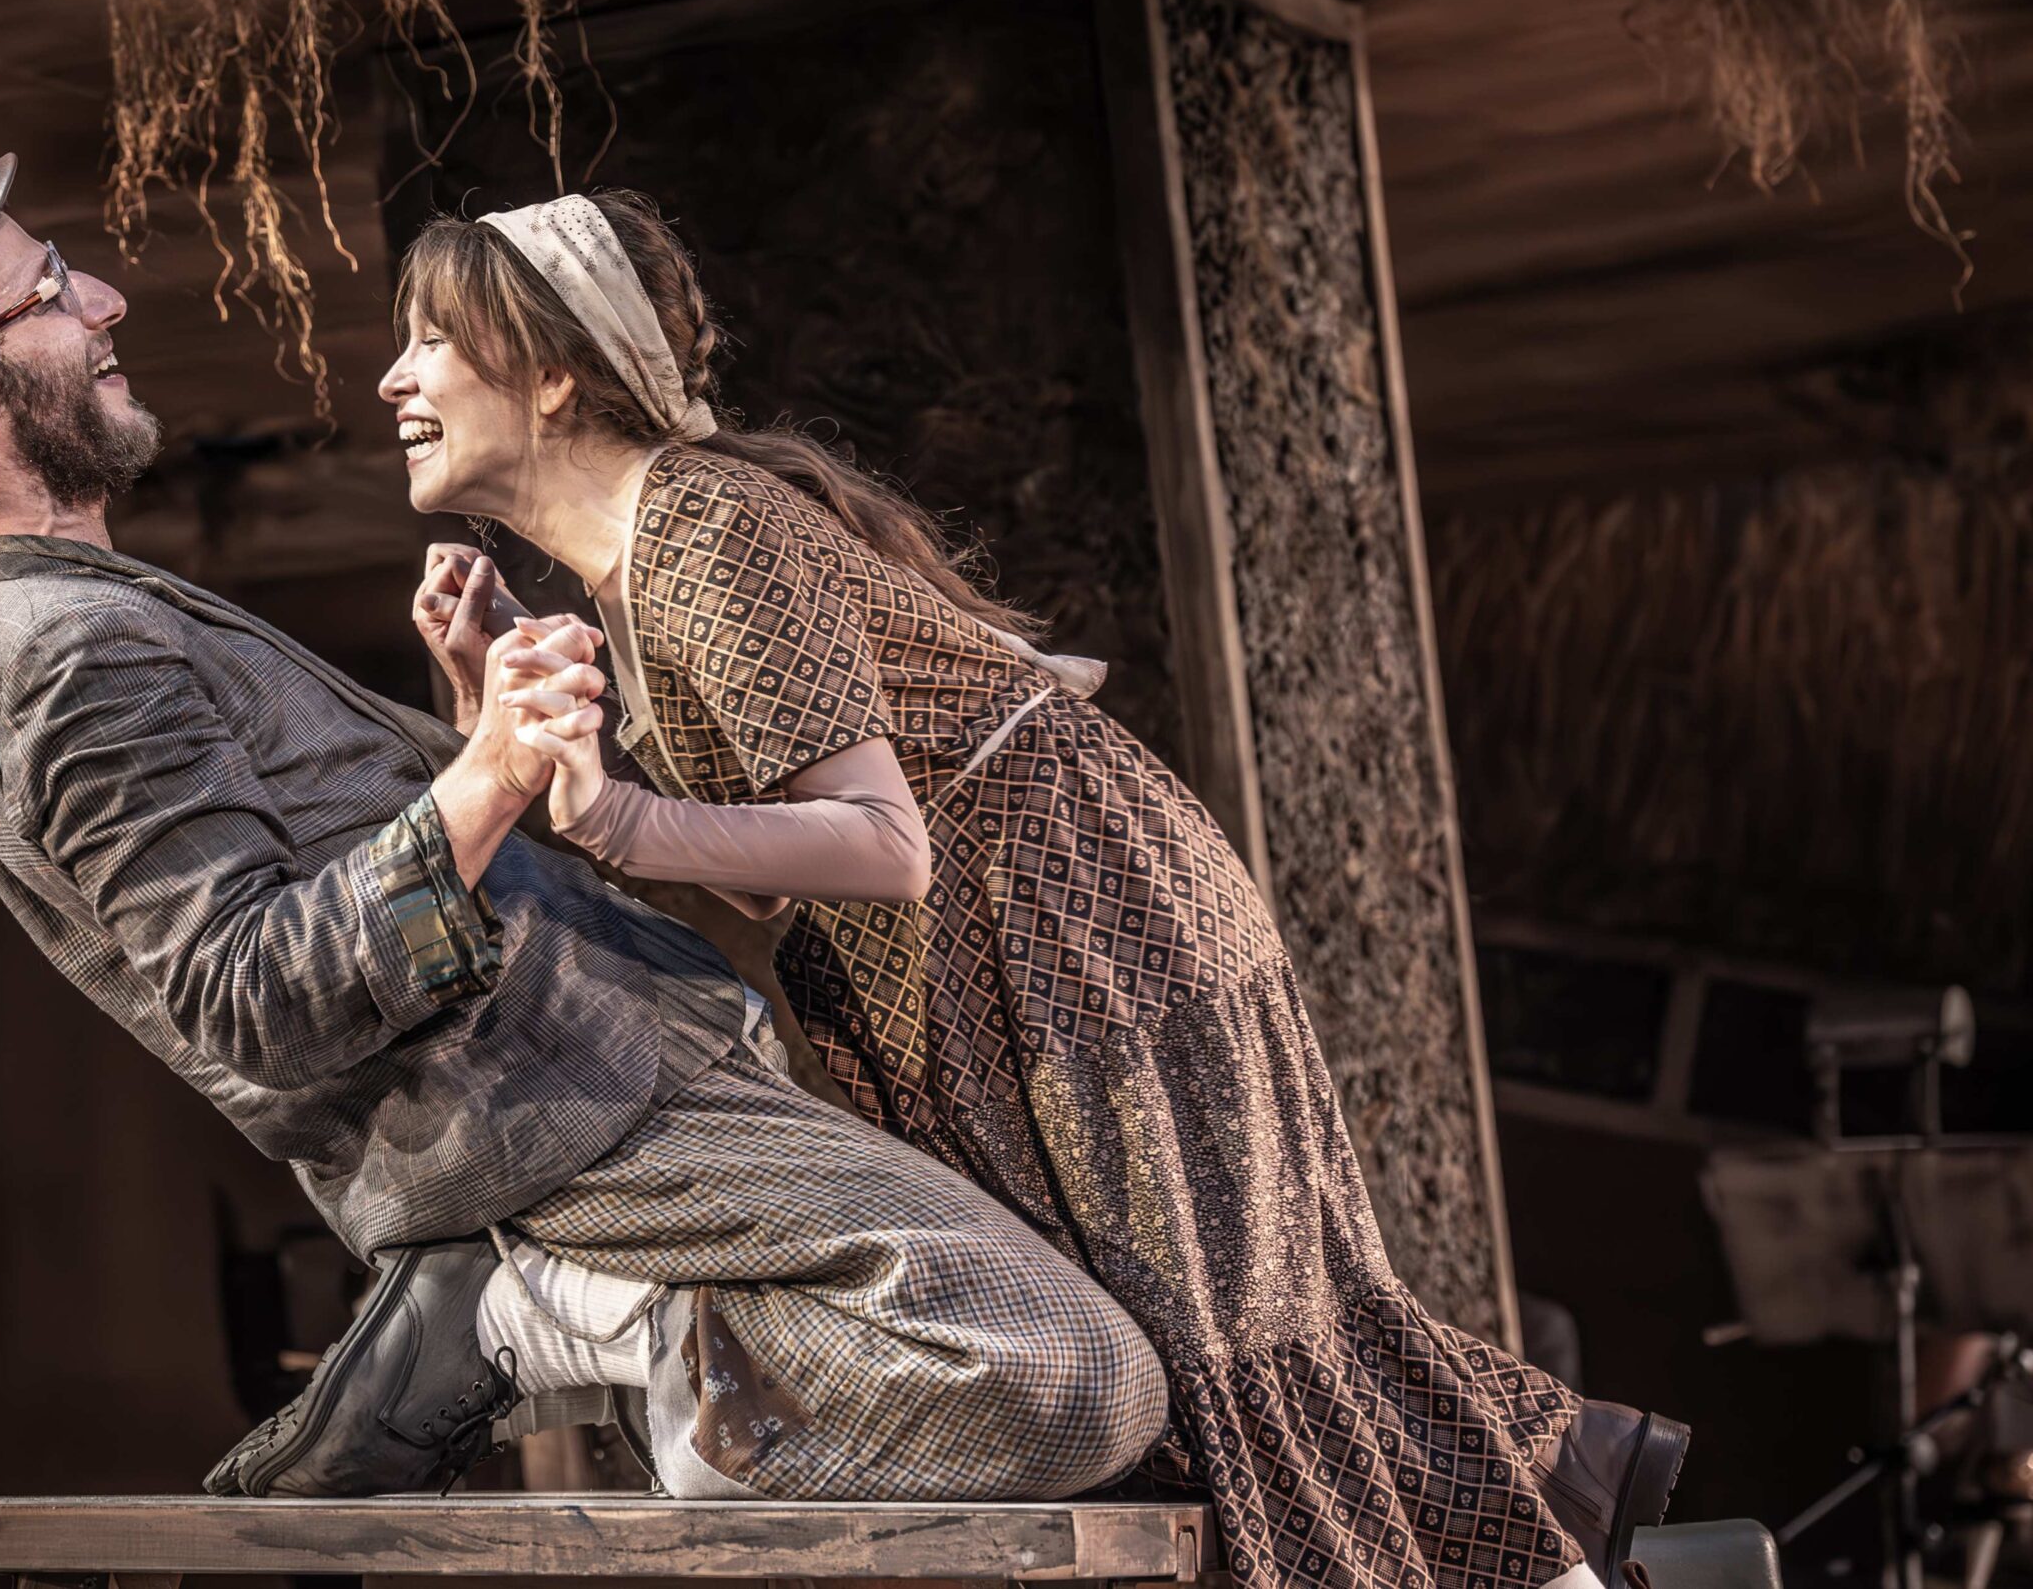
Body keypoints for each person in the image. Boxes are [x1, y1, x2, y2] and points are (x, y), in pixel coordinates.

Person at [0, 154, 1169, 1504]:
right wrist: (483, 774)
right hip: (561, 1126)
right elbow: (257, 993)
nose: (105, 298)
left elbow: (342, 872)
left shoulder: (89, 615)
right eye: (51, 288)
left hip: (606, 1079)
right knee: (1069, 1376)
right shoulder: (60, 654)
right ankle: (530, 1314)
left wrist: (469, 719)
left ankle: (570, 1325)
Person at [386, 190, 1691, 1587]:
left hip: (1080, 932)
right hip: (1022, 952)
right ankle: (1569, 1517)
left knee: (1226, 1357)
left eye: (429, 342)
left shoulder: (701, 529)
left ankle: (1565, 1527)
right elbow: (766, 884)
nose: (396, 379)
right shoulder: (646, 569)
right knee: (1227, 1371)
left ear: (554, 370)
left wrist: (623, 812)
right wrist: (509, 719)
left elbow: (881, 844)